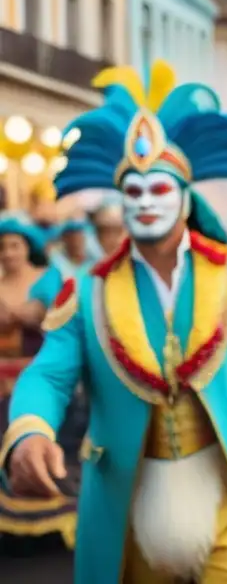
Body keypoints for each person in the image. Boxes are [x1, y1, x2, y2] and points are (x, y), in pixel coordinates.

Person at [0, 61, 227, 583]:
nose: (145, 203)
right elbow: (48, 373)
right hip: (128, 504)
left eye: (158, 189)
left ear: (185, 198)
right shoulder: (86, 293)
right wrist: (30, 428)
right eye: (133, 193)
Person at [0, 214, 78, 548]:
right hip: (1, 382)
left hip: (39, 380)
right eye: (2, 247)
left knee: (41, 449)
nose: (8, 253)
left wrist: (18, 313)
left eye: (14, 245)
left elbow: (41, 316)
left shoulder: (47, 278)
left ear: (27, 247)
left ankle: (51, 525)